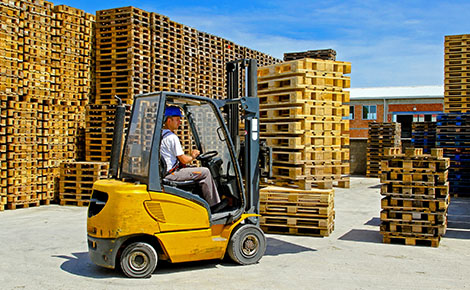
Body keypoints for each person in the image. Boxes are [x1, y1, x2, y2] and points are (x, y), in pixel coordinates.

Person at [160, 106, 226, 211]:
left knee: (195, 170)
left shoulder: (162, 134)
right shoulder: (172, 137)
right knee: (205, 172)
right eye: (177, 119)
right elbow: (183, 159)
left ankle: (202, 201)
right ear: (169, 120)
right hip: (171, 174)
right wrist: (193, 156)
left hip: (167, 171)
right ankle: (214, 206)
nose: (179, 122)